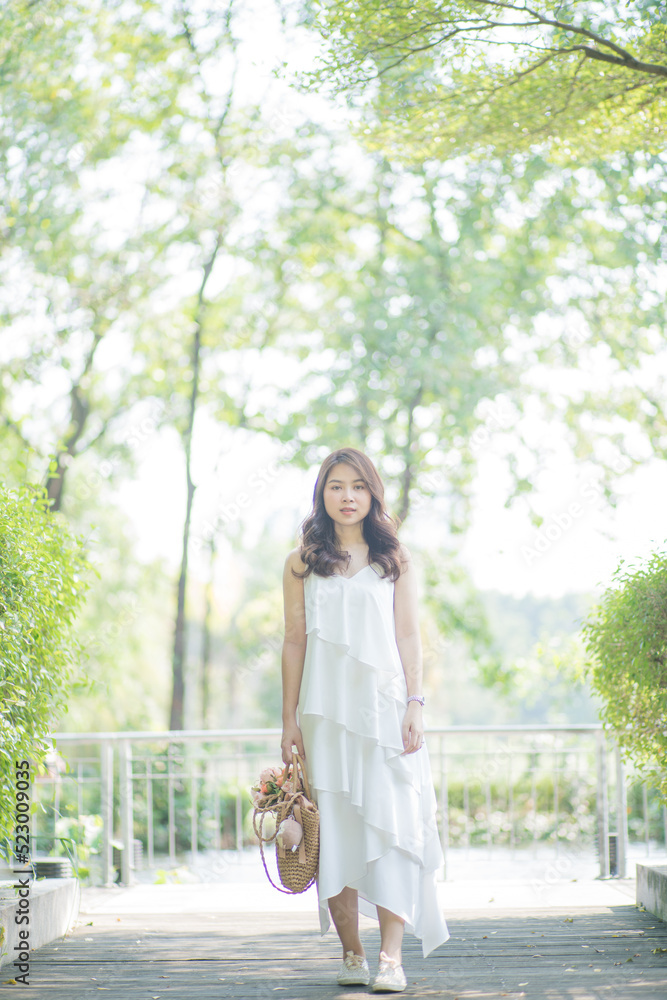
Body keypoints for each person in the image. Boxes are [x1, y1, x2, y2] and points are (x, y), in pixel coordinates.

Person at [280, 446, 450, 992]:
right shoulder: (300, 562)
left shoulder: (393, 560)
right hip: (324, 717)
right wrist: (289, 722)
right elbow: (292, 641)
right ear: (321, 494)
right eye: (336, 486)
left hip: (385, 716)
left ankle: (392, 960)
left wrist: (416, 704)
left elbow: (407, 637)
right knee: (336, 833)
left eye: (357, 485)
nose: (347, 496)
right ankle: (352, 954)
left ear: (372, 492)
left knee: (394, 827)